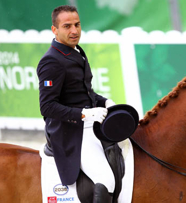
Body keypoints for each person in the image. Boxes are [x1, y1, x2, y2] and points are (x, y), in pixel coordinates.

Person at [37, 5, 115, 202]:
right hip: (70, 132)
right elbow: (47, 107)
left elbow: (83, 92)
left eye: (77, 25)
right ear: (55, 30)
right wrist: (85, 114)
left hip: (89, 124)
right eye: (67, 26)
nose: (74, 31)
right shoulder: (52, 62)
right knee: (106, 179)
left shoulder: (76, 51)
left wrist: (105, 102)